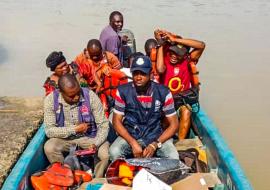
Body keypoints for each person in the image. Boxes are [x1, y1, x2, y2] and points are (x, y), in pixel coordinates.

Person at [109, 55, 179, 161]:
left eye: (143, 73)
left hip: (155, 135)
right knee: (114, 152)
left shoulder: (164, 92)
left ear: (151, 74)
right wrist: (133, 143)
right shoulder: (123, 91)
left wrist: (154, 144)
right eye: (135, 73)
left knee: (173, 157)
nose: (138, 77)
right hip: (131, 134)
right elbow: (116, 122)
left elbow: (174, 125)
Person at [43, 73, 109, 177]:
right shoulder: (50, 100)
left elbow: (104, 125)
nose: (77, 97)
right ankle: (64, 175)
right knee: (50, 147)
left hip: (90, 138)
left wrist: (96, 143)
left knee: (106, 154)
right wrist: (74, 129)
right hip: (65, 139)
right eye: (71, 96)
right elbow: (49, 130)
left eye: (78, 93)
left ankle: (97, 178)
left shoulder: (90, 96)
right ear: (61, 92)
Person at [155, 29, 205, 139]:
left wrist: (176, 40)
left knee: (186, 111)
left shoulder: (187, 61)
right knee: (165, 119)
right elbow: (159, 69)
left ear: (184, 55)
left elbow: (201, 45)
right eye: (172, 52)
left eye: (178, 54)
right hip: (166, 103)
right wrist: (160, 44)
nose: (174, 56)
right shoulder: (166, 60)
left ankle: (181, 142)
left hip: (181, 102)